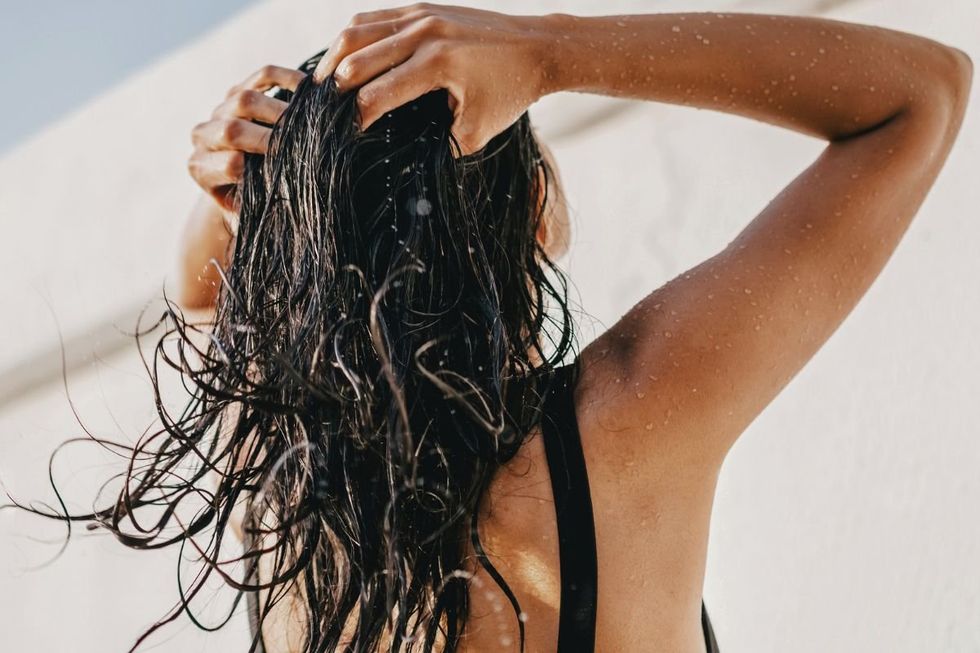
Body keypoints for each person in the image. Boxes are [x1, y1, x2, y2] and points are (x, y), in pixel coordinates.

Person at [173, 5, 971, 653]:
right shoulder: (618, 427)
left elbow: (200, 296)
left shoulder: (285, 505)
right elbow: (922, 93)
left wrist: (275, 190)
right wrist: (549, 50)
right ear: (535, 212)